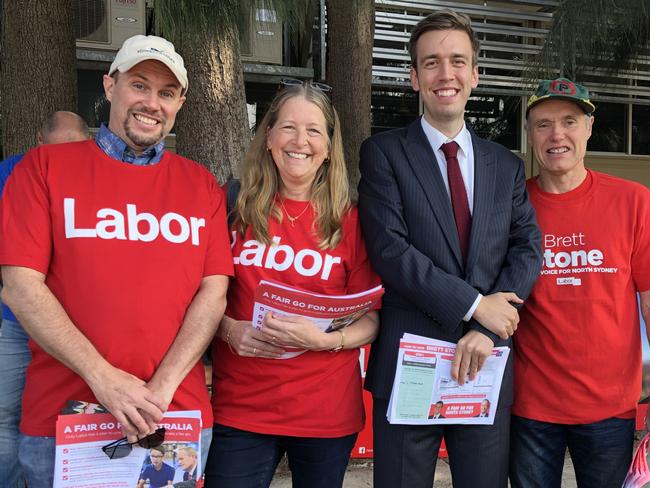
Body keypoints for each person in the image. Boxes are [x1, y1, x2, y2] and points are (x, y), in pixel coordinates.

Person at [0, 35, 233, 487]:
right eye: (139, 85)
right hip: (65, 419)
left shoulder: (201, 185)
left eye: (166, 93)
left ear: (180, 103)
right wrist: (103, 379)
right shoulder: (43, 168)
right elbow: (20, 285)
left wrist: (160, 389)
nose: (151, 103)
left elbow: (214, 290)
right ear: (110, 87)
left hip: (172, 416)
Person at [357, 9, 542, 488]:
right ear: (415, 77)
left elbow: (526, 247)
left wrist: (490, 329)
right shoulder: (383, 153)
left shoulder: (506, 164)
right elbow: (390, 251)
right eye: (432, 63)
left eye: (458, 61)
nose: (446, 74)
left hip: (486, 362)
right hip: (410, 365)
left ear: (475, 75)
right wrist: (478, 306)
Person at [203, 80, 380, 488]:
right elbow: (197, 296)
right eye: (288, 127)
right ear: (268, 137)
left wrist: (328, 342)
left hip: (325, 411)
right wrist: (229, 329)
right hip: (241, 408)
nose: (300, 141)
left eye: (314, 130)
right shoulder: (229, 208)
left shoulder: (351, 220)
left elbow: (371, 317)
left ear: (329, 147)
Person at [510, 77, 650, 488]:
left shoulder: (633, 201)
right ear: (530, 133)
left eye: (569, 122)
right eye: (543, 124)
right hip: (531, 405)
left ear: (588, 128)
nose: (557, 135)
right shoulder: (512, 204)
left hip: (611, 406)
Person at [0, 110, 90, 488]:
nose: (64, 160)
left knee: (68, 418)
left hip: (76, 328)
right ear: (39, 143)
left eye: (75, 151)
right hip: (18, 321)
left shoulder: (95, 175)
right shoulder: (11, 173)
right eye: (57, 150)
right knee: (5, 413)